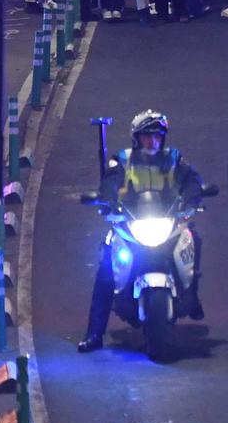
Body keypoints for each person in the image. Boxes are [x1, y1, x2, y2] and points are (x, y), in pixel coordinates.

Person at [79, 110, 208, 351]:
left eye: (157, 136)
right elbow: (109, 184)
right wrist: (107, 203)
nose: (152, 141)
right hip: (130, 225)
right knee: (106, 267)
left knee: (193, 239)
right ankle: (94, 334)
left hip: (168, 222)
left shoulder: (174, 159)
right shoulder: (123, 160)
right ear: (136, 138)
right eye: (147, 136)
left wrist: (192, 200)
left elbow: (192, 181)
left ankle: (191, 293)